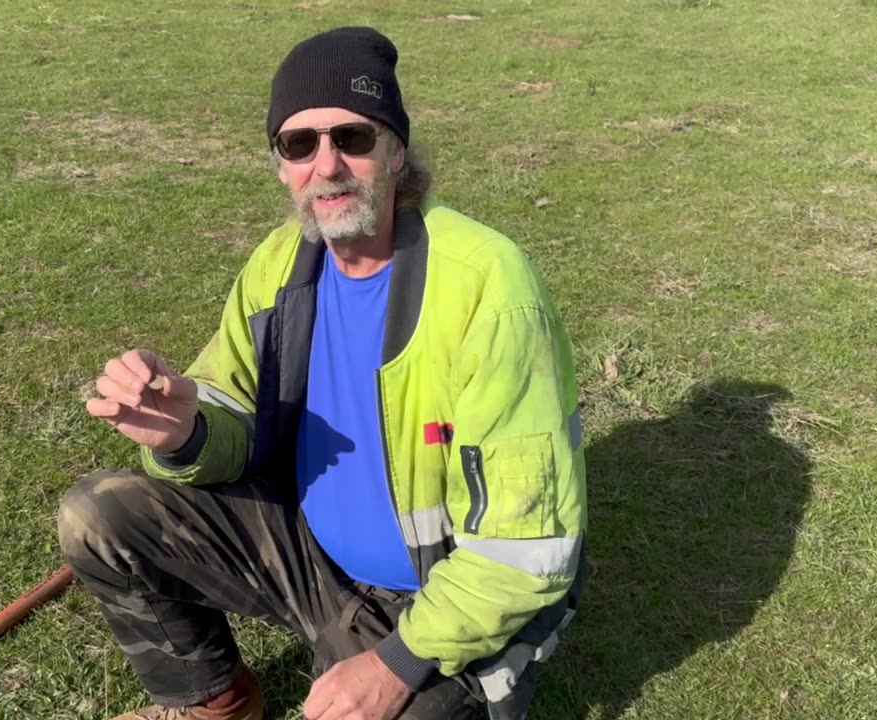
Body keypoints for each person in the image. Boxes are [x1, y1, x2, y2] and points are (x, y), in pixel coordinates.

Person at [58, 26, 588, 720]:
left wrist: (392, 666)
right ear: (281, 164)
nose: (327, 164)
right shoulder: (281, 263)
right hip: (307, 559)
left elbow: (524, 553)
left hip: (431, 604)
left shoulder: (489, 288)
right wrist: (184, 431)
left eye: (354, 138)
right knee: (98, 516)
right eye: (299, 144)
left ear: (397, 151)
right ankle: (212, 702)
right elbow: (231, 411)